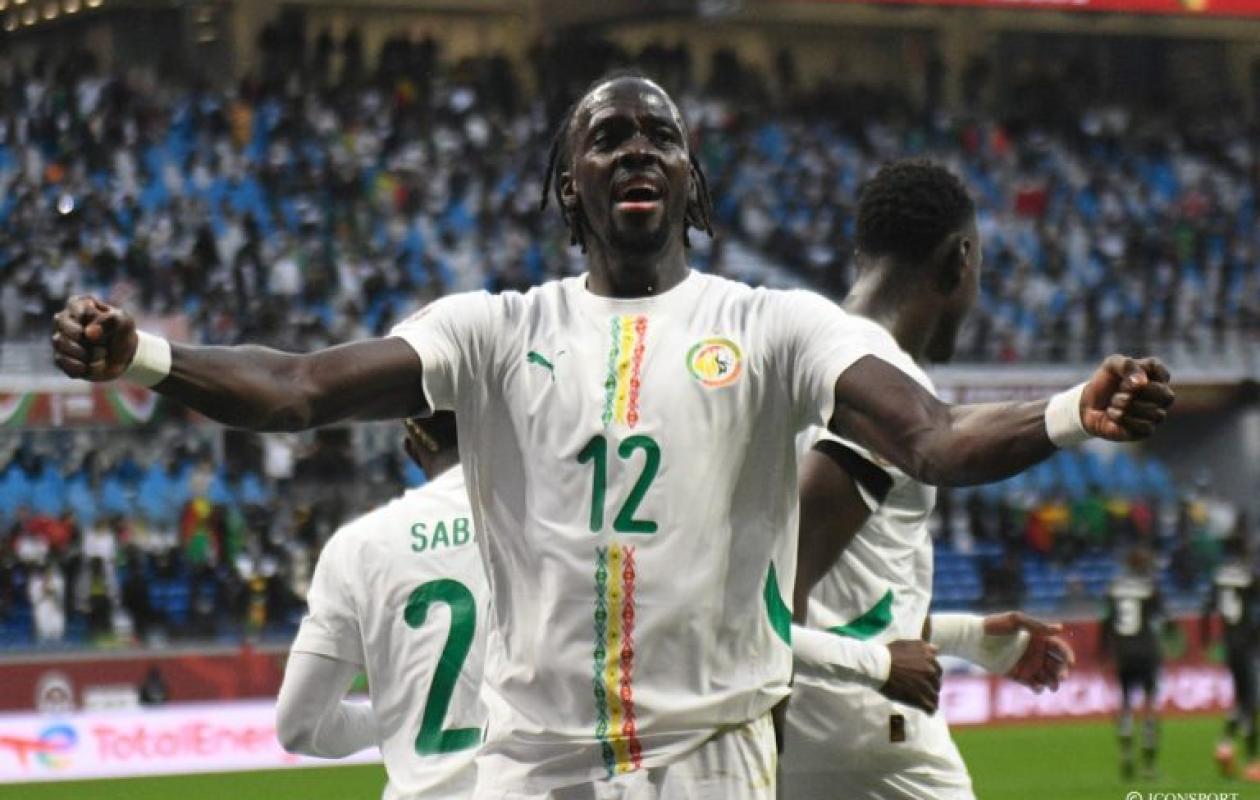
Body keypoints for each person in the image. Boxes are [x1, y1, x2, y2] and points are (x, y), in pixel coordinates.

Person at [52, 72, 1173, 798]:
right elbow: (300, 387)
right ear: (567, 188)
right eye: (607, 138)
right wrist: (145, 357)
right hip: (528, 766)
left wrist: (1071, 411)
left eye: (661, 136)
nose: (637, 149)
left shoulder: (775, 325)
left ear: (692, 182)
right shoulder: (493, 331)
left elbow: (931, 435)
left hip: (711, 760)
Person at [782, 160, 1073, 799]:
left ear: (861, 258)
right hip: (866, 727)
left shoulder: (800, 361)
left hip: (799, 728)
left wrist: (970, 637)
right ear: (959, 259)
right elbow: (783, 585)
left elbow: (834, 607)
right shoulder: (880, 381)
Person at [277, 412, 488, 798]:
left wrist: (396, 715)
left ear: (412, 448)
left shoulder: (357, 546)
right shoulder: (545, 523)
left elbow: (299, 726)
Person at [1102, 546, 1168, 780]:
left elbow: (1107, 622)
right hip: (1146, 650)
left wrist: (1103, 652)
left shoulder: (1115, 587)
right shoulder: (1150, 587)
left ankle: (1126, 754)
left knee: (1126, 703)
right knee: (1149, 705)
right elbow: (1163, 617)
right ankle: (1149, 765)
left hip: (1123, 651)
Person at [1202, 536, 1259, 780]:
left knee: (1242, 699)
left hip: (1229, 643)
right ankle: (1252, 762)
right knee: (1251, 702)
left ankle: (1225, 746)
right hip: (1246, 643)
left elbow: (1207, 609)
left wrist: (1206, 639)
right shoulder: (1248, 576)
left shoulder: (1219, 576)